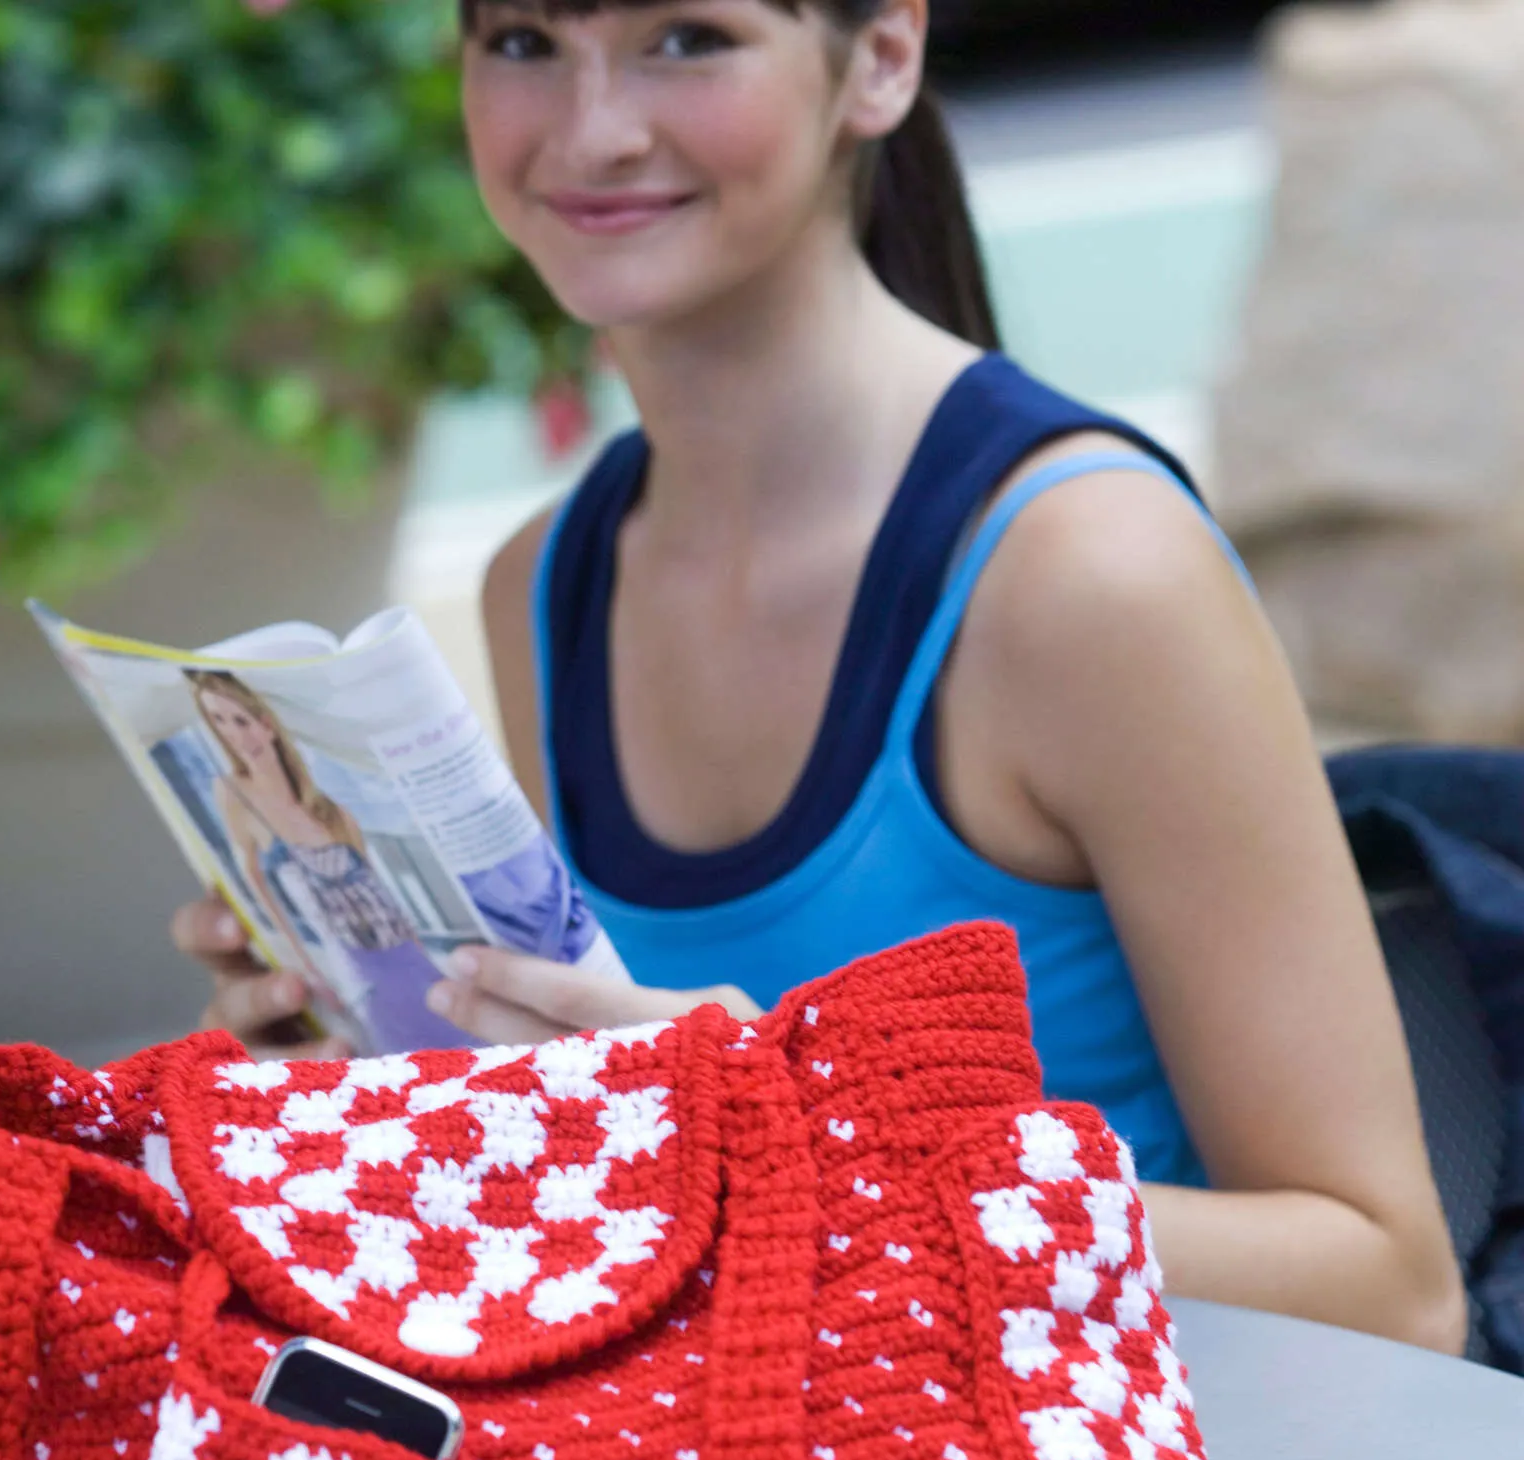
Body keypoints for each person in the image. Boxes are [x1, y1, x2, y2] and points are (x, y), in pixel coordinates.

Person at [174, 0, 1463, 1365]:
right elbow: (636, 1182)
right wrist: (368, 1071)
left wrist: (802, 1139)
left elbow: (1392, 1289)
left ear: (885, 56)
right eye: (522, 44)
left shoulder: (1087, 578)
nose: (593, 130)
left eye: (688, 40)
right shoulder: (543, 585)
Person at [186, 670, 472, 1056]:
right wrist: (309, 969)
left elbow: (379, 885)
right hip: (353, 956)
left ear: (266, 724)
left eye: (241, 720)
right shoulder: (234, 792)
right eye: (218, 722)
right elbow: (260, 891)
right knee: (404, 1044)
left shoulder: (327, 805)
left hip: (400, 944)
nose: (234, 735)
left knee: (450, 1028)